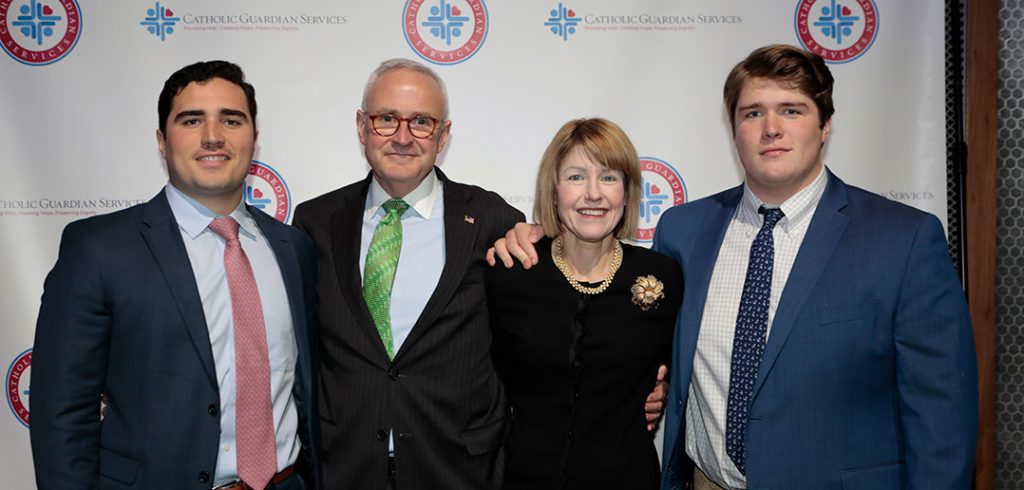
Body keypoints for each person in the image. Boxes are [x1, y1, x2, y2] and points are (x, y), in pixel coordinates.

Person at [490, 44, 978, 489]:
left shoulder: (904, 238)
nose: (771, 128)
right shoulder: (683, 232)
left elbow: (942, 414)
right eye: (752, 113)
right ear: (733, 127)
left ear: (825, 125)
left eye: (792, 110)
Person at [293, 59, 668, 489]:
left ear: (443, 135)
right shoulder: (314, 223)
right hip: (346, 466)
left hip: (459, 469)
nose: (402, 136)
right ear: (362, 126)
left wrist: (643, 383)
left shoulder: (494, 219)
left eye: (420, 121)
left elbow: (559, 329)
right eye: (385, 119)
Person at [30, 61, 322, 489]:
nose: (213, 136)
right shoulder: (98, 249)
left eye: (232, 119)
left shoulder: (293, 248)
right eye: (191, 120)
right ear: (162, 141)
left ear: (254, 139)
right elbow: (62, 414)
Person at [486, 118, 681, 490]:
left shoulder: (664, 276)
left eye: (609, 177)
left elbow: (684, 368)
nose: (593, 193)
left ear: (627, 192)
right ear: (553, 191)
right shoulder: (511, 271)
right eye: (576, 177)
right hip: (523, 479)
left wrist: (665, 385)